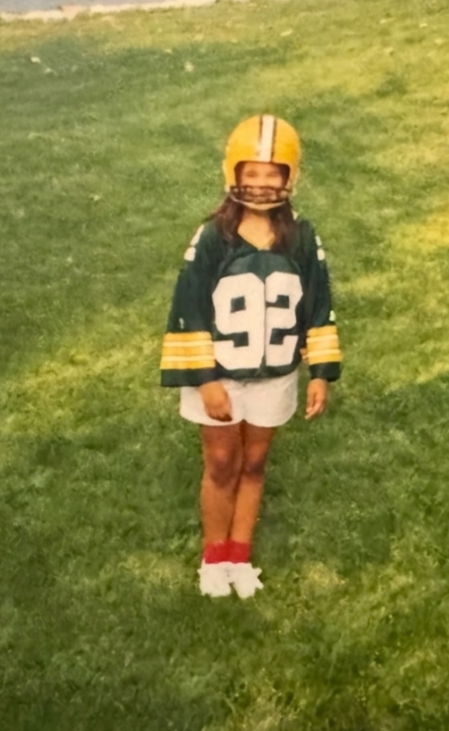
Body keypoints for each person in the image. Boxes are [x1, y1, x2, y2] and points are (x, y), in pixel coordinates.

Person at [160, 114, 342, 598]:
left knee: (255, 463)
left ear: (290, 177)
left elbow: (317, 302)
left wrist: (320, 371)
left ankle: (238, 557)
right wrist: (205, 380)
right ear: (233, 173)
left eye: (272, 173)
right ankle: (213, 558)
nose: (261, 183)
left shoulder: (301, 237)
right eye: (252, 172)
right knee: (222, 462)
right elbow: (189, 308)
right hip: (220, 373)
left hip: (275, 372)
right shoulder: (213, 237)